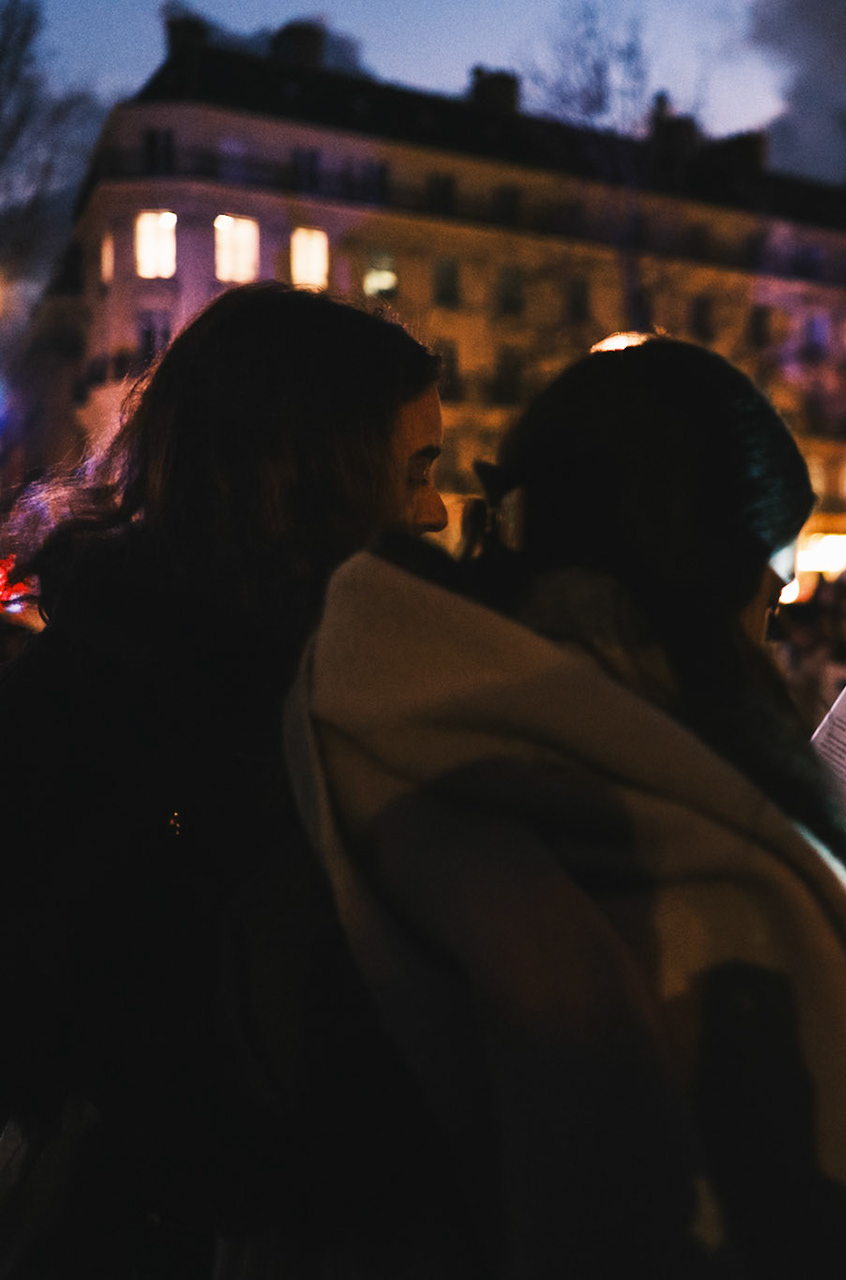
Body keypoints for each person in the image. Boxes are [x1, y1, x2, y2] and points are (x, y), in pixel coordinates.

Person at [282, 338, 846, 1277]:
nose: (769, 641)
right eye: (772, 597)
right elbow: (839, 1232)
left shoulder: (356, 715)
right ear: (708, 582)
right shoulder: (716, 890)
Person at [0, 283, 455, 1275]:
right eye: (415, 469)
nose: (435, 509)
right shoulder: (250, 708)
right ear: (314, 474)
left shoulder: (114, 660)